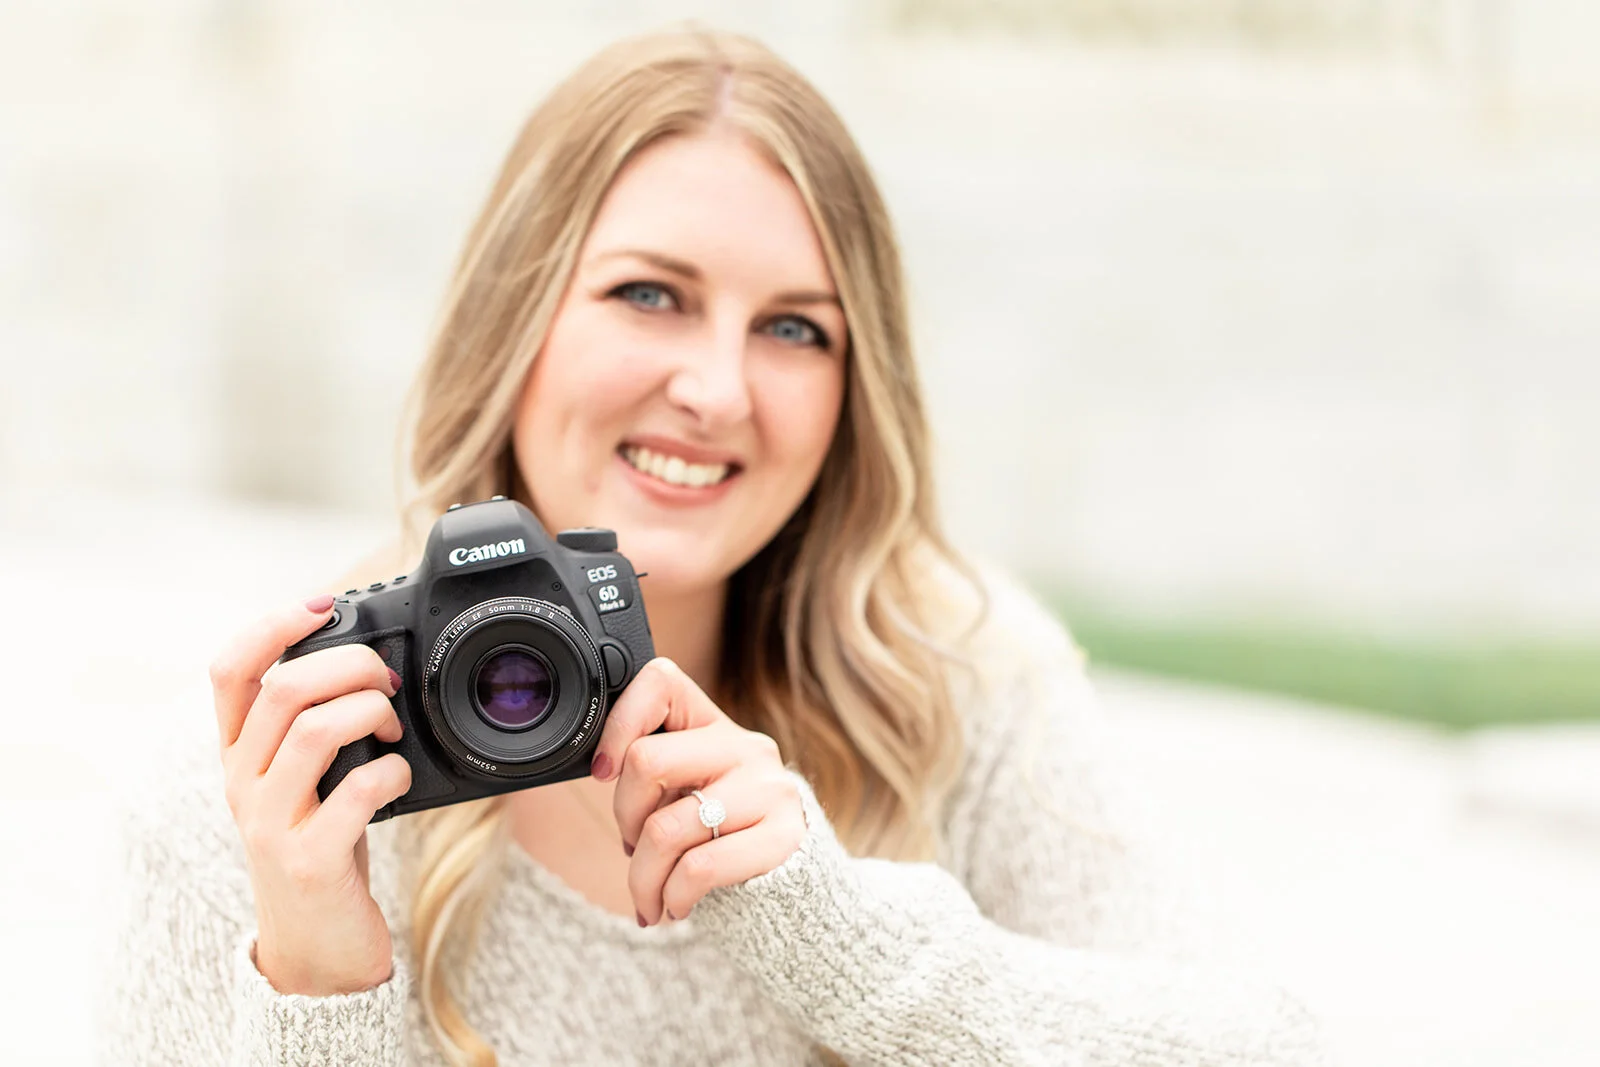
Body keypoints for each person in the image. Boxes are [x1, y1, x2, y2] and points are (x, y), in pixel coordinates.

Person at [99, 27, 1324, 1067]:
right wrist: (321, 981)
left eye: (795, 327)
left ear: (857, 390)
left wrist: (838, 935)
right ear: (515, 319)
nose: (717, 387)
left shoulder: (954, 684)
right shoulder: (278, 773)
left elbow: (1271, 1042)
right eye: (650, 293)